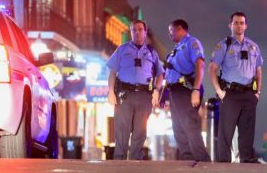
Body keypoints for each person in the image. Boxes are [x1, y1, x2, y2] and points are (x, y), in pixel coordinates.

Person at [209, 12, 263, 163]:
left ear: (246, 25)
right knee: (226, 131)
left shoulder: (253, 47)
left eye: (242, 22)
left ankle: (246, 160)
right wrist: (220, 92)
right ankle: (223, 163)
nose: (239, 25)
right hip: (230, 94)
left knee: (247, 131)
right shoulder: (223, 45)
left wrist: (258, 92)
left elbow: (258, 71)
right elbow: (212, 68)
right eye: (236, 22)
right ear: (230, 25)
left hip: (248, 94)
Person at [106, 20, 164, 160]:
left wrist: (156, 90)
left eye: (139, 29)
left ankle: (135, 163)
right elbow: (113, 72)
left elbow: (160, 74)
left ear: (145, 31)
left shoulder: (151, 52)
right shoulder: (122, 49)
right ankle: (119, 161)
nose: (136, 32)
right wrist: (110, 92)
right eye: (133, 30)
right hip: (125, 95)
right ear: (131, 32)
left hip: (145, 96)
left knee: (140, 131)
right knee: (122, 130)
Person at [165, 19, 210, 162]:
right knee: (178, 127)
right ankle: (186, 159)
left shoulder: (191, 43)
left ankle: (203, 161)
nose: (169, 34)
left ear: (179, 28)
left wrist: (196, 89)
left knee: (189, 124)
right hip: (175, 92)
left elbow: (200, 65)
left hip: (186, 89)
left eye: (171, 30)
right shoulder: (177, 48)